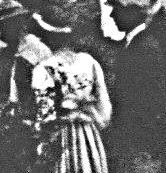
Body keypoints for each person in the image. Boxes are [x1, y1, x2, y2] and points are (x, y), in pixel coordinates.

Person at [105, 0, 166, 173]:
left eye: (117, 10)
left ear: (131, 13)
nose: (112, 16)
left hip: (141, 139)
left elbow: (150, 98)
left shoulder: (145, 48)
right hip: (137, 137)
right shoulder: (135, 44)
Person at [30, 12, 112, 173]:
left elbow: (45, 115)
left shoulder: (43, 68)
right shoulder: (89, 61)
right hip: (88, 134)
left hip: (61, 138)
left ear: (48, 37)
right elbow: (104, 110)